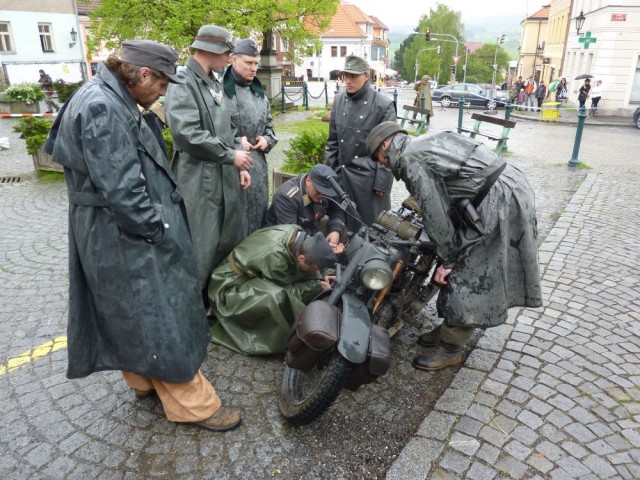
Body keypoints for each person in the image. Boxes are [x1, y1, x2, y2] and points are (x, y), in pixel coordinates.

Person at [43, 40, 241, 431]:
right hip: (121, 231)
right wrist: (157, 231)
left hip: (110, 229)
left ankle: (142, 378)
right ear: (144, 74)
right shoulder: (101, 106)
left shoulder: (103, 95)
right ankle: (192, 404)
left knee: (128, 308)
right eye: (162, 83)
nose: (164, 92)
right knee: (159, 312)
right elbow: (123, 191)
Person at [365, 122, 542, 371]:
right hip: (506, 187)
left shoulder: (409, 159)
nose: (381, 164)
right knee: (457, 261)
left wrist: (448, 260)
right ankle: (450, 328)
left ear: (385, 145)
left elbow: (435, 214)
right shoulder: (420, 143)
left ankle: (452, 349)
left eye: (378, 157)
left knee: (465, 271)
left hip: (498, 200)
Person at [165, 25, 253, 292]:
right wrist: (230, 156)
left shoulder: (213, 82)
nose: (228, 58)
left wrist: (238, 162)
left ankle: (216, 304)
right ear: (211, 51)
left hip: (223, 177)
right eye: (226, 53)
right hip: (198, 183)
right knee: (200, 250)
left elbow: (228, 127)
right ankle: (192, 307)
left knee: (225, 247)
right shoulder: (183, 82)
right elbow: (187, 133)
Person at [208, 225, 337, 355]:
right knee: (276, 298)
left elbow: (305, 265)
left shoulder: (296, 233)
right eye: (315, 268)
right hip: (228, 286)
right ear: (301, 258)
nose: (315, 271)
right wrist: (317, 286)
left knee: (305, 272)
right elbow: (287, 293)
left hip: (247, 272)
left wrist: (321, 276)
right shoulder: (276, 258)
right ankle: (293, 338)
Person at [325, 54, 397, 230]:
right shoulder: (339, 99)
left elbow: (390, 149)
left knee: (372, 231)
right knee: (341, 227)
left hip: (368, 181)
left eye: (353, 76)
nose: (348, 81)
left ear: (366, 75)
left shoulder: (383, 105)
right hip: (341, 178)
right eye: (345, 76)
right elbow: (332, 142)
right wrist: (328, 173)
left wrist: (382, 182)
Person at [223, 38, 277, 236]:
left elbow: (270, 128)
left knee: (258, 221)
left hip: (258, 169)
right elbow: (213, 131)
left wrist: (267, 140)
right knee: (234, 226)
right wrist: (237, 142)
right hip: (231, 168)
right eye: (249, 63)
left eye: (256, 63)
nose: (254, 68)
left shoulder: (259, 94)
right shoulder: (220, 92)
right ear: (234, 60)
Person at [264, 164, 346, 251]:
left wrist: (335, 231)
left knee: (344, 233)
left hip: (311, 229)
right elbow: (291, 237)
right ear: (308, 180)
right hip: (281, 239)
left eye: (325, 192)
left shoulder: (326, 189)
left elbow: (337, 210)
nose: (322, 195)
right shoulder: (287, 197)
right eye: (319, 190)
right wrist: (321, 248)